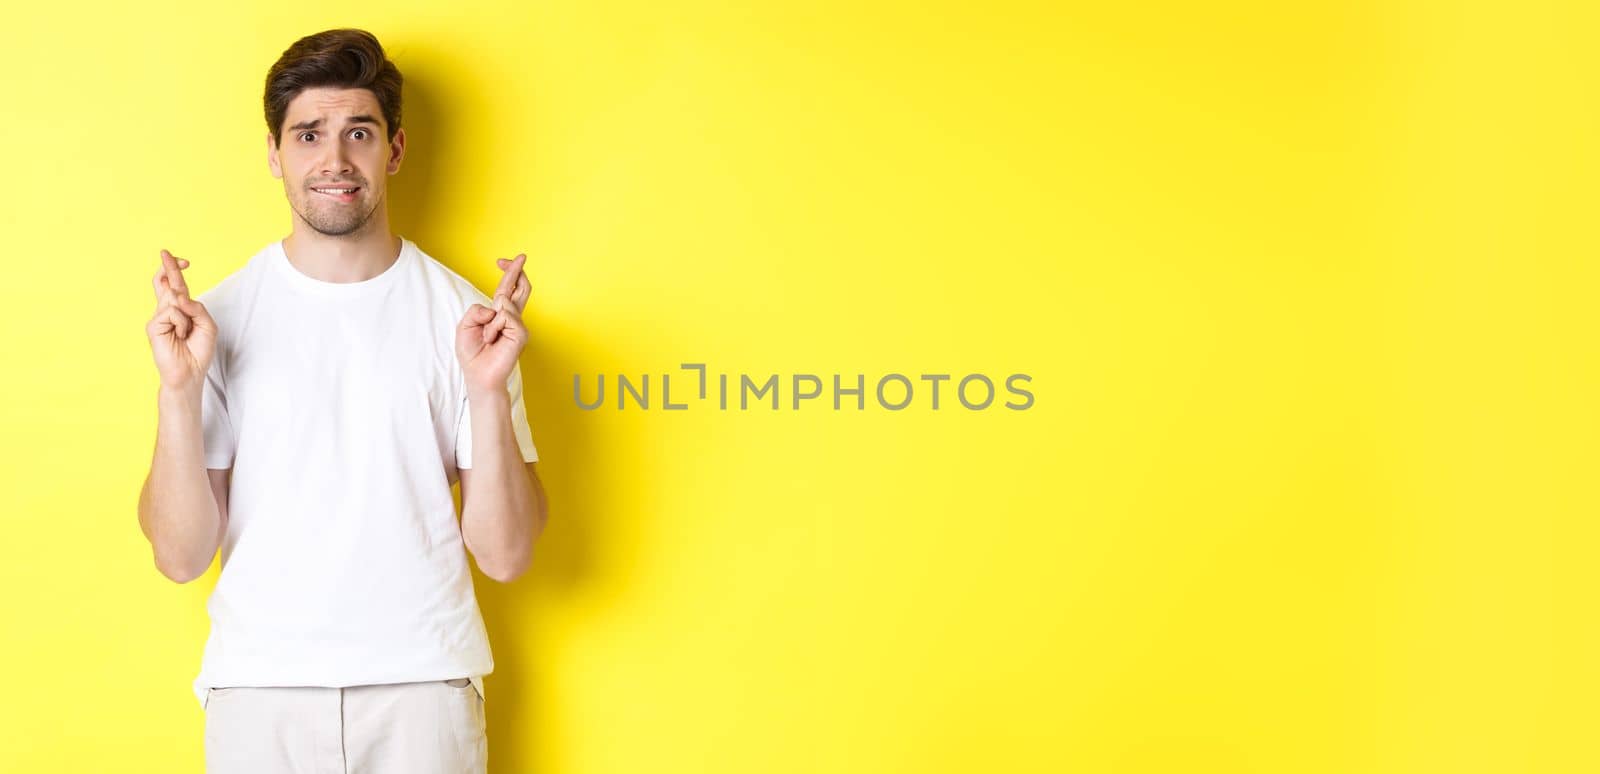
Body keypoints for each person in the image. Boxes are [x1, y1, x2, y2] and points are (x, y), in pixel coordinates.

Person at [136, 28, 549, 773]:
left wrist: (487, 393)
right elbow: (179, 554)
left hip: (423, 690)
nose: (334, 159)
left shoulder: (466, 322)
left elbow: (508, 553)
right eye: (308, 134)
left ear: (392, 151)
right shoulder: (219, 320)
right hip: (260, 694)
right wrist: (179, 392)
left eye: (358, 132)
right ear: (274, 153)